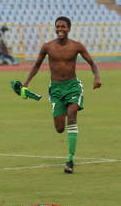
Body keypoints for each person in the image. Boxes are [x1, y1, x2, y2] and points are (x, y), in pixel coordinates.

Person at [22, 16, 101, 173]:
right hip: (56, 89)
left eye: (63, 26)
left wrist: (97, 77)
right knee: (59, 128)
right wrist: (26, 82)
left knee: (71, 116)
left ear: (69, 29)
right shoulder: (47, 47)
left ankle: (70, 160)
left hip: (72, 87)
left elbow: (92, 63)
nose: (60, 29)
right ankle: (64, 110)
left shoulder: (76, 46)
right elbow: (36, 65)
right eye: (58, 26)